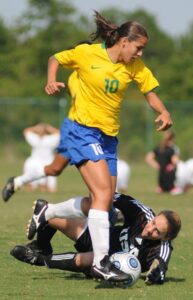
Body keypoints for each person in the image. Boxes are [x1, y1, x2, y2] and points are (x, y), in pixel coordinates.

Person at [26, 11, 173, 282]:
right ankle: (102, 262)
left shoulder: (134, 68)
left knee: (105, 203)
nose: (140, 53)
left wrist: (163, 111)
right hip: (84, 131)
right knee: (104, 192)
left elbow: (149, 93)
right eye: (139, 47)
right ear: (125, 41)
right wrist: (50, 79)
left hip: (108, 138)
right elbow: (55, 57)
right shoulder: (88, 53)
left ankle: (47, 212)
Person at [10, 192, 181, 285]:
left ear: (167, 237)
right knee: (51, 216)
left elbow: (160, 267)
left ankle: (40, 259)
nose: (150, 229)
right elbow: (119, 198)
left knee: (90, 258)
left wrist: (156, 274)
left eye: (157, 232)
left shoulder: (162, 248)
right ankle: (42, 247)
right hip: (98, 236)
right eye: (153, 223)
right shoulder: (143, 215)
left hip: (104, 265)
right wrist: (104, 202)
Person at [21, 123, 60, 193]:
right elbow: (25, 131)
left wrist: (48, 128)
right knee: (30, 183)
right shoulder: (35, 138)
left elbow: (60, 134)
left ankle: (45, 193)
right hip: (35, 162)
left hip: (48, 162)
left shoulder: (50, 139)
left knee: (51, 186)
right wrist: (37, 128)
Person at [145, 130, 182, 195]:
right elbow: (175, 161)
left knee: (160, 189)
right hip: (171, 179)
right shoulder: (173, 149)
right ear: (173, 138)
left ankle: (160, 188)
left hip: (161, 179)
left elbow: (148, 158)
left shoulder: (159, 148)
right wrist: (173, 165)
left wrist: (158, 166)